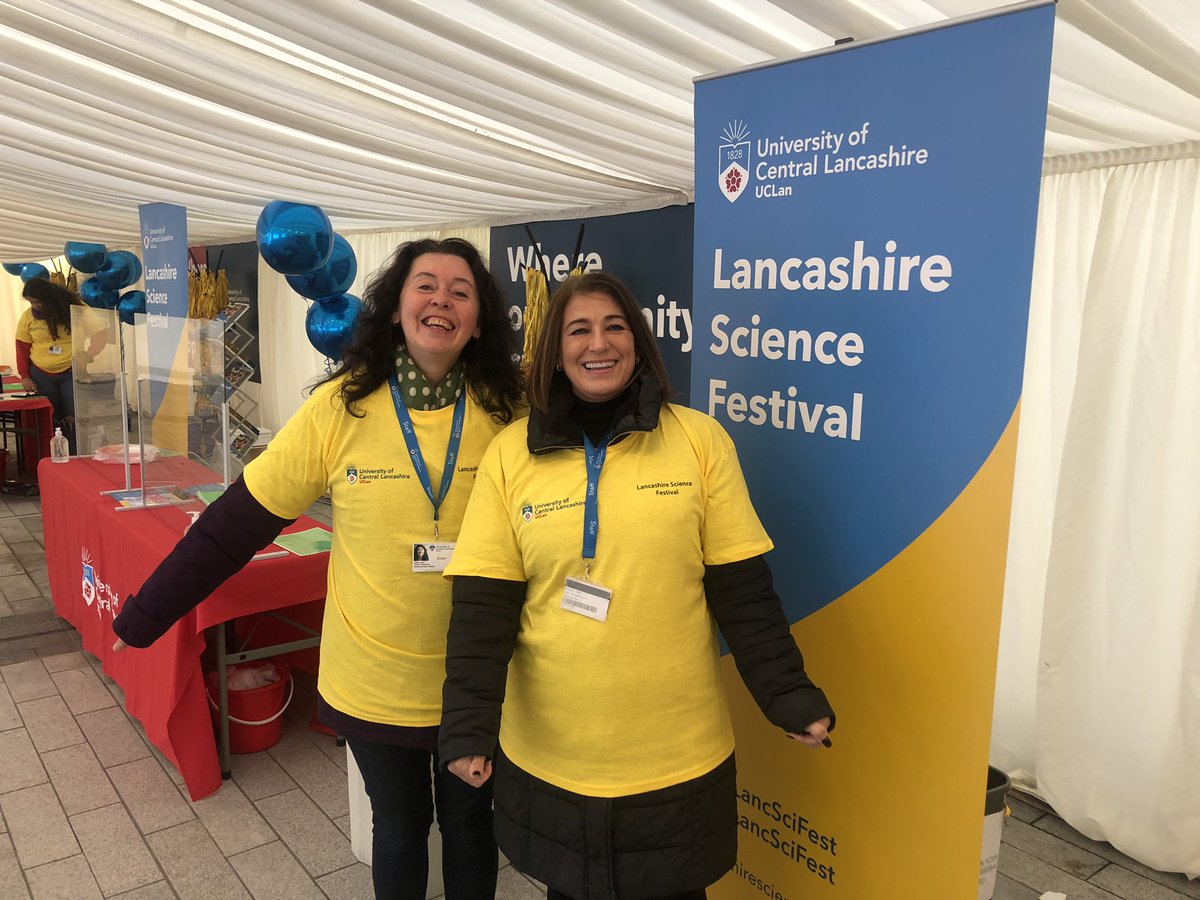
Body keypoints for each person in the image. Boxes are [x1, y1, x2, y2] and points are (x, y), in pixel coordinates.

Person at [111, 237, 523, 900]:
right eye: (425, 284)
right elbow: (236, 525)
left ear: (478, 319)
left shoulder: (511, 416)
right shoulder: (342, 409)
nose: (440, 299)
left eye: (460, 290)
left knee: (473, 824)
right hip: (375, 677)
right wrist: (146, 613)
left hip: (479, 680)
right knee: (398, 827)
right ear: (395, 308)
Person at [438, 272, 836, 900]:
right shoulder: (511, 455)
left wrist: (788, 694)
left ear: (639, 341)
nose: (598, 344)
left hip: (675, 756)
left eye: (614, 326)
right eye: (579, 330)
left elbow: (743, 592)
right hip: (553, 754)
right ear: (555, 350)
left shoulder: (699, 442)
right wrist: (465, 728)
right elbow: (484, 611)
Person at [16, 278, 107, 452]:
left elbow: (100, 332)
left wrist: (88, 355)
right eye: (31, 302)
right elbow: (21, 346)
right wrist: (25, 375)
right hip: (41, 375)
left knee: (74, 416)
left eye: (37, 301)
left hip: (71, 371)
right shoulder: (28, 316)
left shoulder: (76, 309)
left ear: (49, 297)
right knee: (51, 418)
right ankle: (55, 455)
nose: (34, 306)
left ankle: (76, 454)